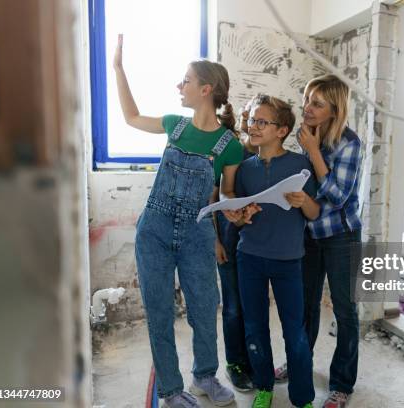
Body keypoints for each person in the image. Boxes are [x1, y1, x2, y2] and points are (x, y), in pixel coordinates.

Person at [113, 34, 239, 407]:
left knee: (203, 308)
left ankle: (205, 377)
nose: (179, 86)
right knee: (160, 312)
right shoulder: (175, 126)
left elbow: (224, 196)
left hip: (198, 235)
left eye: (185, 80)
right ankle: (170, 390)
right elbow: (131, 117)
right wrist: (119, 69)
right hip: (154, 230)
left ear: (206, 89)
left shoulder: (229, 144)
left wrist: (234, 214)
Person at [224, 94, 318, 408]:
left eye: (262, 121)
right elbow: (240, 215)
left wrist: (304, 201)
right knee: (254, 326)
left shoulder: (300, 164)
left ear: (281, 130)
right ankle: (264, 386)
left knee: (295, 331)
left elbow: (315, 214)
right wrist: (240, 217)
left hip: (289, 260)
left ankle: (302, 398)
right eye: (251, 120)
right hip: (249, 257)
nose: (253, 126)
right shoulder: (245, 168)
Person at [275, 74, 363, 408]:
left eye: (317, 103)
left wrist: (312, 153)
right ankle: (300, 363)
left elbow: (338, 196)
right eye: (307, 99)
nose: (307, 107)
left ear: (334, 110)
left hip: (342, 236)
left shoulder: (349, 143)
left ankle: (341, 384)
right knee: (305, 306)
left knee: (345, 311)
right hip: (310, 235)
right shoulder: (307, 136)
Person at [213, 98, 258, 392]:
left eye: (253, 118)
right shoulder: (233, 152)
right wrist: (216, 239)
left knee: (253, 306)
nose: (249, 124)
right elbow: (214, 198)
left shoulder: (271, 157)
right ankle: (235, 364)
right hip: (229, 241)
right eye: (245, 118)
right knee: (233, 308)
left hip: (258, 246)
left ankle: (254, 360)